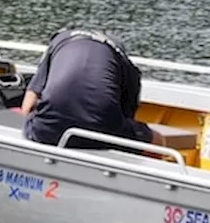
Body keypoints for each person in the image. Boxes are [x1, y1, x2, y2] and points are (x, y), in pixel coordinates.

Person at [21, 28, 165, 149]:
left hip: (49, 130)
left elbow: (27, 106)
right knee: (158, 141)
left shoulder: (58, 44)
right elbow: (128, 114)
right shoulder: (126, 65)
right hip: (103, 129)